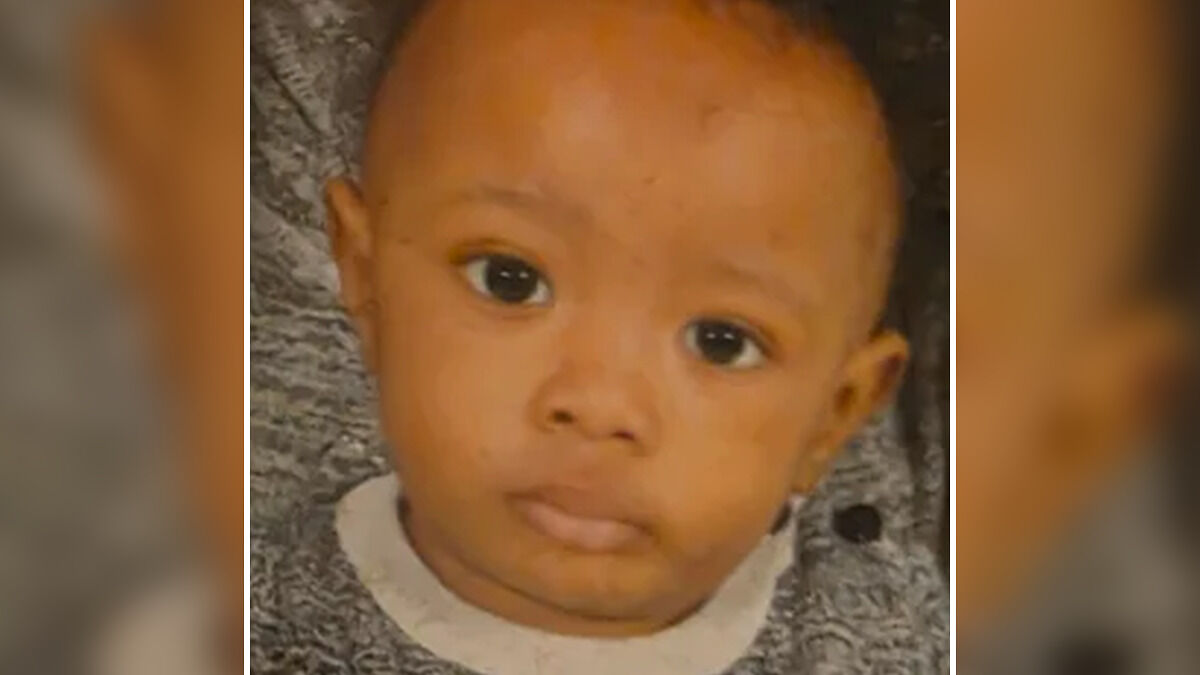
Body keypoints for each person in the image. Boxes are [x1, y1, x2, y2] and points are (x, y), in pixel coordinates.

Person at [251, 1, 948, 673]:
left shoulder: (896, 629)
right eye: (510, 279)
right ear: (366, 278)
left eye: (721, 340)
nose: (600, 404)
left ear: (835, 414)